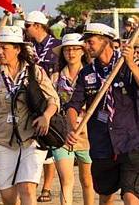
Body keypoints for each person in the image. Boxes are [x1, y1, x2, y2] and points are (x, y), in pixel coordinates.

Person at [0, 26, 60, 205]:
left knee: (27, 187)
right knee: (8, 196)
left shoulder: (35, 72)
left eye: (5, 47)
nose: (0, 52)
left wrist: (46, 116)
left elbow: (54, 99)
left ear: (17, 49)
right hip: (4, 140)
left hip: (32, 138)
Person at [66, 23, 139, 205]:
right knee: (105, 195)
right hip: (101, 144)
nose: (86, 46)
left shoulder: (127, 65)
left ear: (105, 41)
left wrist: (130, 63)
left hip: (131, 142)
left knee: (131, 196)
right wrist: (71, 127)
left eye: (90, 42)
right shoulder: (87, 73)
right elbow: (73, 106)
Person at [49, 33, 94, 205]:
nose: (71, 53)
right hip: (63, 132)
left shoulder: (92, 76)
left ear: (83, 51)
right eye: (67, 49)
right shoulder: (56, 77)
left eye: (75, 49)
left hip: (88, 132)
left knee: (87, 181)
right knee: (66, 181)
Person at [24, 10, 61, 202]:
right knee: (35, 143)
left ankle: (47, 186)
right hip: (31, 100)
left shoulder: (56, 46)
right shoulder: (28, 47)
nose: (26, 29)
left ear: (38, 26)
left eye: (27, 25)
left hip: (51, 98)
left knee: (50, 142)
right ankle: (32, 182)